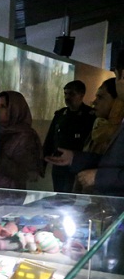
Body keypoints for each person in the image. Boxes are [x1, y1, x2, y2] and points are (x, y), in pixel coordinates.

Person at [46, 51, 124, 196]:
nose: (94, 102)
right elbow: (111, 162)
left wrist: (98, 177)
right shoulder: (98, 125)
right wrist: (74, 158)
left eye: (100, 97)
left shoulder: (91, 118)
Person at [43, 80, 95, 193]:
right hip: (59, 163)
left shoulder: (90, 116)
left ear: (81, 95)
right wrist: (43, 163)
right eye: (65, 93)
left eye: (71, 94)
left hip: (77, 164)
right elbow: (50, 139)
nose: (67, 97)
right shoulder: (60, 114)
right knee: (58, 193)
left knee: (72, 195)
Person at [0, 91, 43, 189]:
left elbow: (25, 173)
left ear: (15, 109)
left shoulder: (26, 136)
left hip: (11, 192)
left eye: (3, 106)